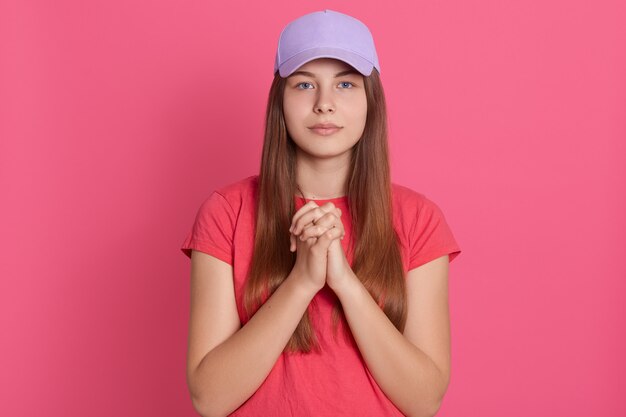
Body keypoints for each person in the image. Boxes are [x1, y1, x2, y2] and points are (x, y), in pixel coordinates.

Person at [181, 9, 461, 417]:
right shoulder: (226, 212)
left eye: (345, 84)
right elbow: (209, 398)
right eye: (305, 84)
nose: (324, 104)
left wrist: (345, 283)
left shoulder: (418, 219)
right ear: (281, 99)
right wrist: (302, 281)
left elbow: (424, 401)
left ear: (371, 100)